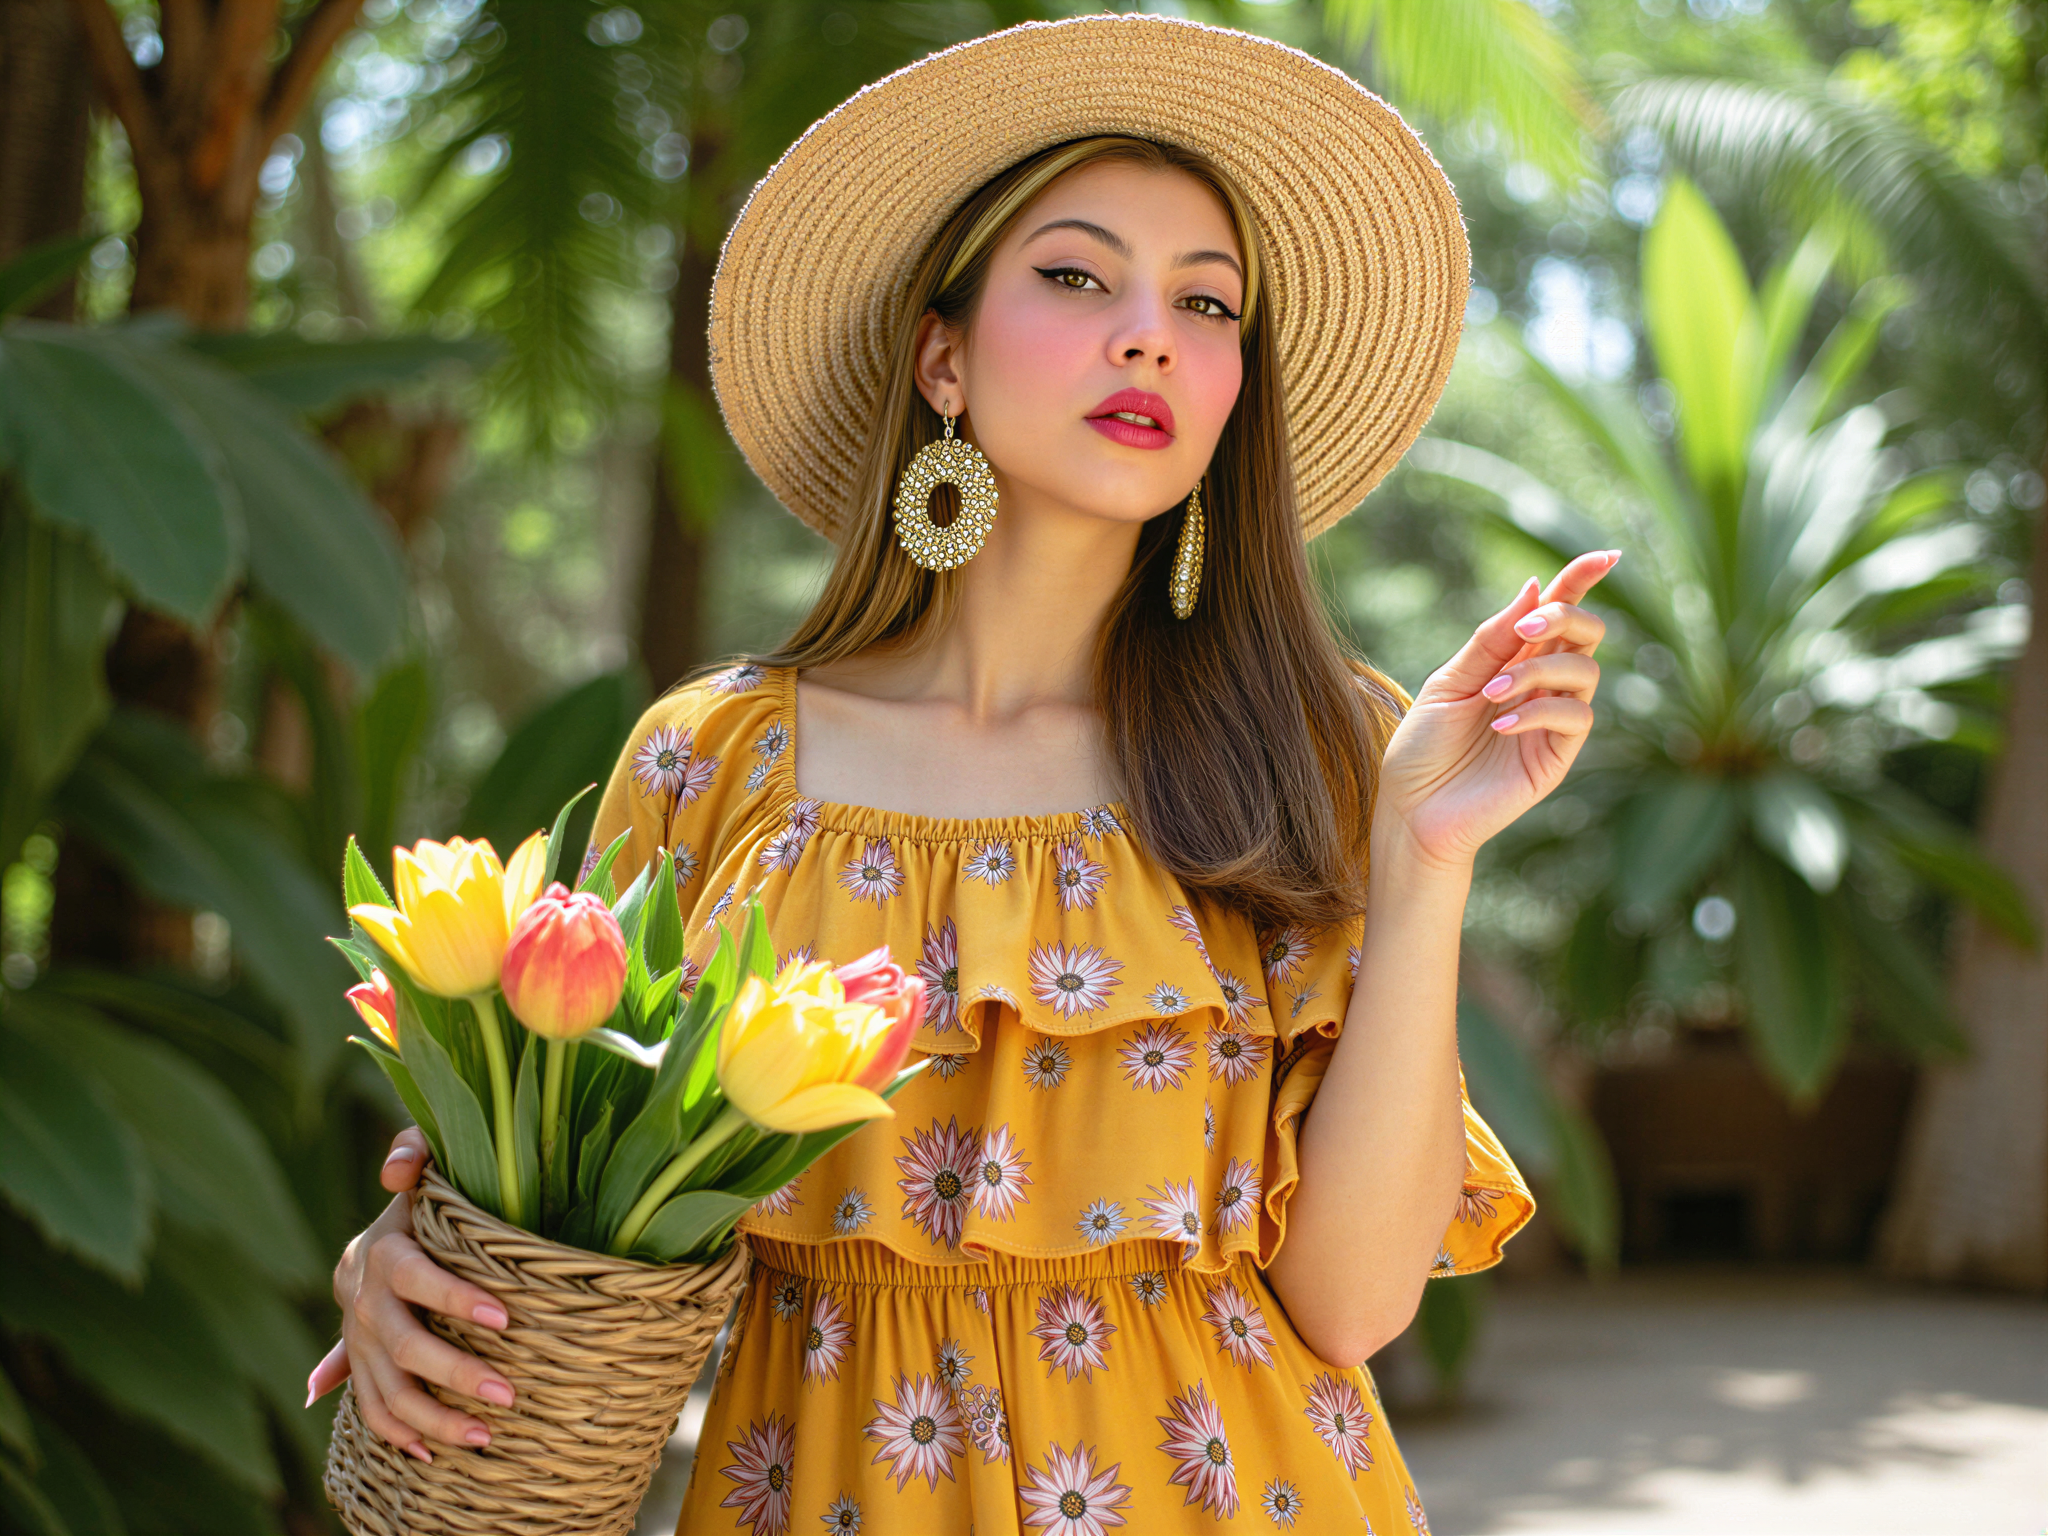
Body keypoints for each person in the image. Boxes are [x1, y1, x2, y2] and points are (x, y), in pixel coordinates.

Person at [317, 14, 1616, 1531]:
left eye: (1209, 305)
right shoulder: (716, 759)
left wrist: (1428, 855)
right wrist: (394, 1265)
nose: (1151, 335)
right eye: (1078, 276)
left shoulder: (1314, 745)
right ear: (941, 355)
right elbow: (571, 1204)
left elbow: (1355, 1303)